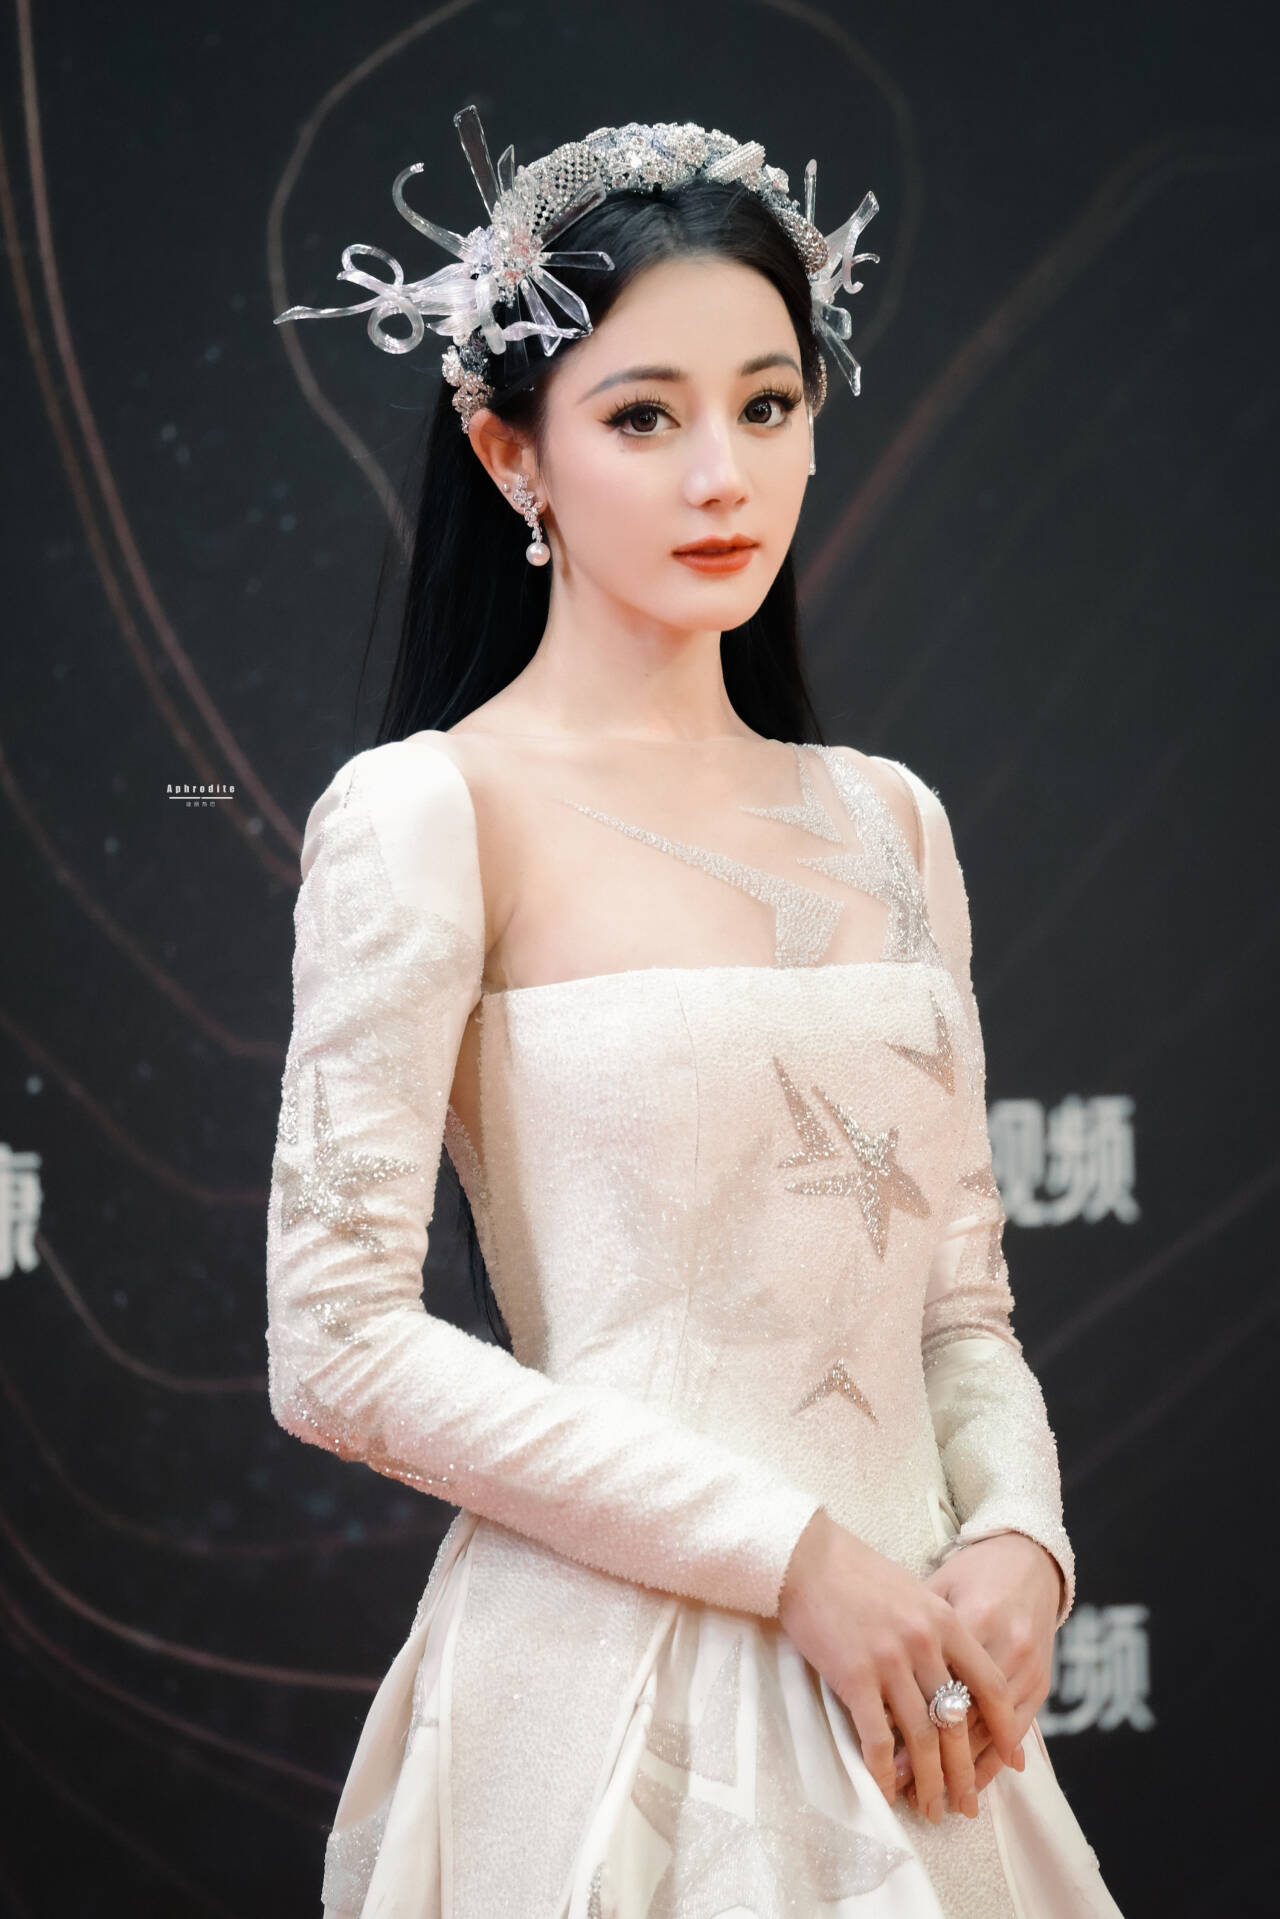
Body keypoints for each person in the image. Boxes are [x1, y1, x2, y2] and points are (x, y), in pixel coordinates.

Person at [268, 109, 1124, 1919]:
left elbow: (959, 1310)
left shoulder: (891, 821)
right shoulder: (431, 811)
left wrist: (1021, 1544)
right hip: (608, 1701)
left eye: (769, 403)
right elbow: (335, 1342)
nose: (722, 474)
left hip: (913, 1706)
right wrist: (790, 1556)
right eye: (644, 417)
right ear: (512, 453)